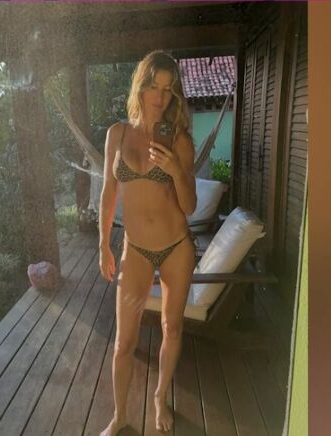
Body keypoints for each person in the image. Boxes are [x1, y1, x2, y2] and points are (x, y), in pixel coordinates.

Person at [98, 50, 197, 435]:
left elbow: (189, 205)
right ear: (140, 86)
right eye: (154, 86)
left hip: (176, 247)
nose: (160, 96)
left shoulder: (181, 141)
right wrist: (103, 243)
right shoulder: (117, 134)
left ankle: (160, 396)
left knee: (172, 328)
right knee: (124, 342)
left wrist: (174, 169)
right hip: (135, 249)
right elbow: (109, 191)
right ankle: (120, 415)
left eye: (168, 89)